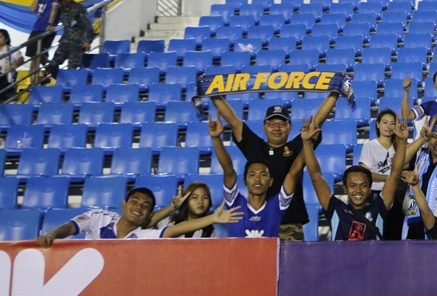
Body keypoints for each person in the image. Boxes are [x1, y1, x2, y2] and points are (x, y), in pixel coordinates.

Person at [211, 93, 338, 240]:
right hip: (258, 225)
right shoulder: (255, 146)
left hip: (290, 226)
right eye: (271, 124)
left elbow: (317, 122)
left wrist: (335, 93)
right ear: (264, 126)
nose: (277, 128)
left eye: (282, 124)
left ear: (290, 127)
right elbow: (233, 121)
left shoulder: (300, 144)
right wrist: (211, 93)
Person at [304, 118, 407, 241]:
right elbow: (315, 176)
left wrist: (402, 142)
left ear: (370, 189)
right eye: (352, 185)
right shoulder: (336, 209)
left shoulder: (378, 207)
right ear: (345, 188)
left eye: (363, 185)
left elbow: (395, 175)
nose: (358, 190)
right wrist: (306, 143)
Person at [35, 187, 240, 246]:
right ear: (123, 205)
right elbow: (70, 227)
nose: (139, 207)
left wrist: (213, 218)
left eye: (146, 206)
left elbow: (174, 230)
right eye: (135, 202)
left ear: (149, 214)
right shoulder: (99, 217)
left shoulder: (143, 236)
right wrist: (52, 235)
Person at [209, 114, 305, 238]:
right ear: (245, 180)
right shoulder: (235, 204)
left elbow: (294, 172)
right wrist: (216, 138)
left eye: (263, 174)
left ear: (270, 181)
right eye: (252, 174)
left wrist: (307, 142)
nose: (258, 179)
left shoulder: (277, 206)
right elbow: (228, 171)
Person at [43, 0, 95, 79]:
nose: (60, 2)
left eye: (61, 0)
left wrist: (88, 41)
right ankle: (62, 81)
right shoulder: (60, 9)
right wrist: (50, 24)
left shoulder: (78, 8)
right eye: (58, 1)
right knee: (51, 66)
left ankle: (71, 86)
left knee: (72, 69)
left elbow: (88, 26)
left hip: (77, 44)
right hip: (65, 42)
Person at [149, 182, 217, 238]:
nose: (200, 201)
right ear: (186, 201)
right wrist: (172, 208)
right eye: (194, 197)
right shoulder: (170, 221)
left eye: (205, 197)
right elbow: (148, 223)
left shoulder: (210, 230)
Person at [26, 0, 59, 83]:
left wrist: (50, 24)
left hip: (47, 29)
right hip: (37, 28)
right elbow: (33, 9)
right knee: (34, 56)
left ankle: (53, 72)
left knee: (40, 56)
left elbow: (54, 8)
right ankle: (34, 83)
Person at [358, 109, 397, 190]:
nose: (388, 126)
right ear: (378, 124)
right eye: (385, 122)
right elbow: (365, 174)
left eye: (392, 123)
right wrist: (389, 178)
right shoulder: (369, 146)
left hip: (396, 190)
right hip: (376, 191)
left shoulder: (399, 147)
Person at [0, 29, 24, 96]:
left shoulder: (12, 50)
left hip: (6, 81)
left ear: (6, 39)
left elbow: (21, 58)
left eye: (0, 36)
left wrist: (15, 63)